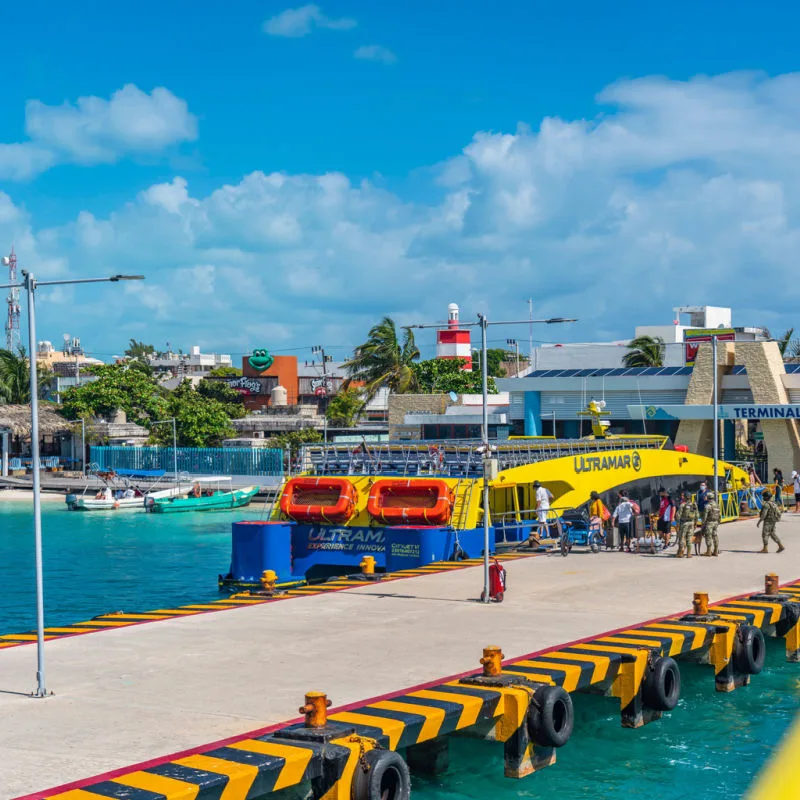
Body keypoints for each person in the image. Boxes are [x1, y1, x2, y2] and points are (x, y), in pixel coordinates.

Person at [675, 491, 699, 558]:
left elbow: (678, 515)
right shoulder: (694, 505)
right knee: (689, 538)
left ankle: (680, 553)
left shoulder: (683, 505)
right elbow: (697, 515)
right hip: (691, 523)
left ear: (685, 497)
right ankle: (689, 554)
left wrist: (677, 523)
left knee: (682, 538)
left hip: (684, 524)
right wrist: (695, 523)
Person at [700, 491, 721, 556]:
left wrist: (703, 524)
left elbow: (705, 516)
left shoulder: (707, 506)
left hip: (709, 523)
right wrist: (718, 522)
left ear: (708, 498)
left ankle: (708, 551)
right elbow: (719, 515)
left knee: (708, 537)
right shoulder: (717, 505)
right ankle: (715, 551)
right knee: (715, 536)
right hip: (716, 522)